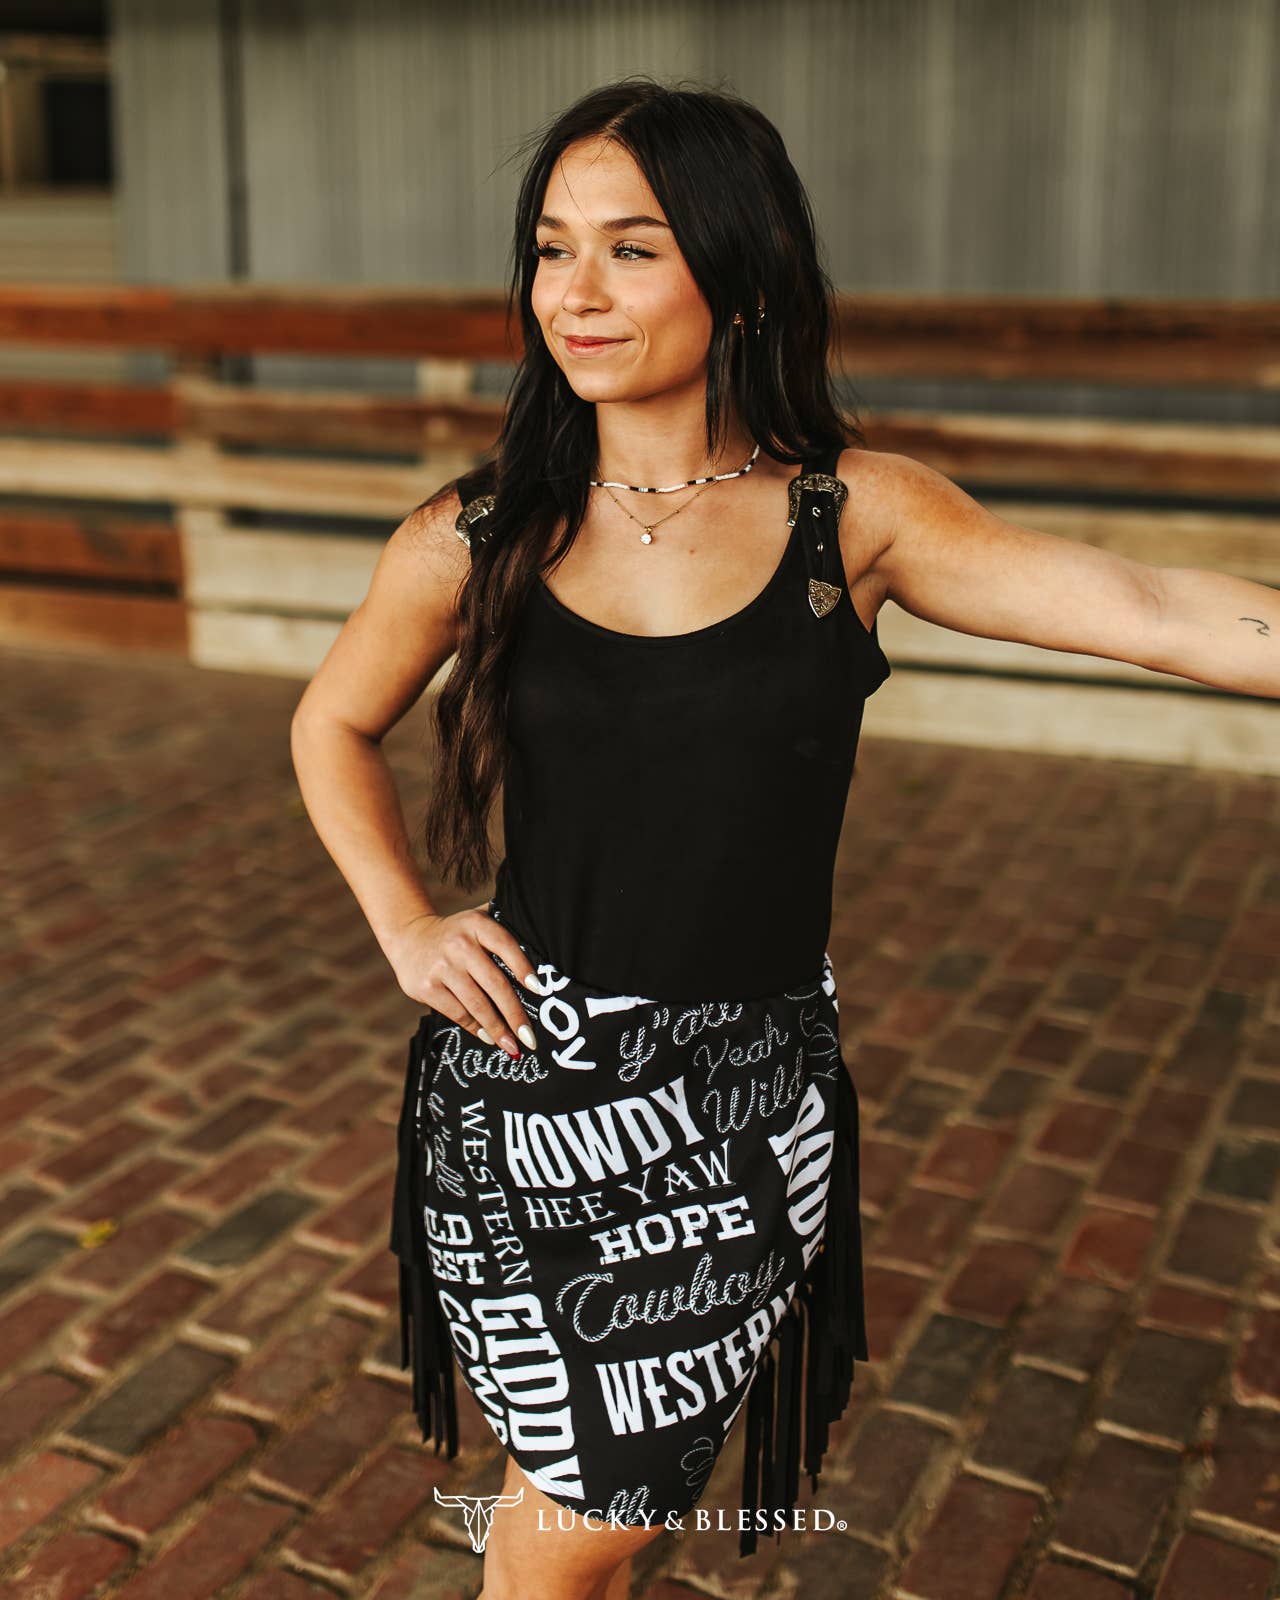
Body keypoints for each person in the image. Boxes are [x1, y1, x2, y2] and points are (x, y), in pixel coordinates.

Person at [290, 75, 1279, 1600]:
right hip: (533, 1094)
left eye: (631, 247)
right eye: (551, 249)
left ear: (736, 266)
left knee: (607, 1499)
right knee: (587, 1508)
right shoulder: (478, 532)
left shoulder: (852, 516)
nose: (578, 291)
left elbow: (1148, 609)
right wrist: (406, 922)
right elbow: (329, 723)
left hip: (751, 1097)